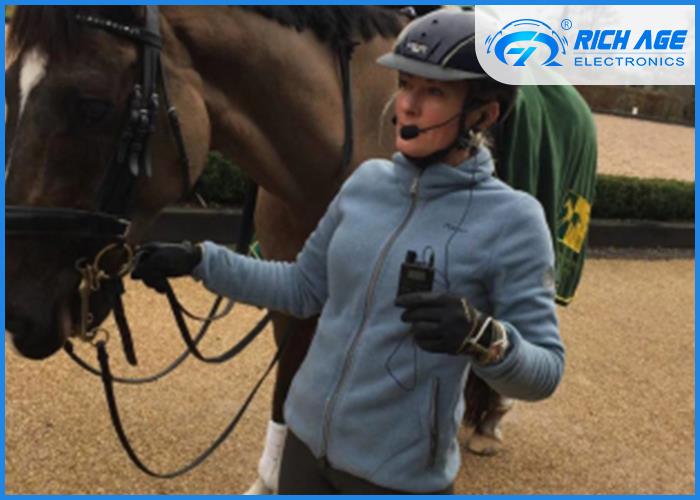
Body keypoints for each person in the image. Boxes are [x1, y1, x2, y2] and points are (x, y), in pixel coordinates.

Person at [132, 9, 564, 494]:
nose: (407, 106)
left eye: (434, 92)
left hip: (395, 480)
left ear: (483, 115)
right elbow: (301, 287)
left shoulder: (514, 221)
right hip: (302, 450)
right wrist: (198, 261)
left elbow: (545, 371)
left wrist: (484, 339)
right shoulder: (366, 183)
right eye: (405, 84)